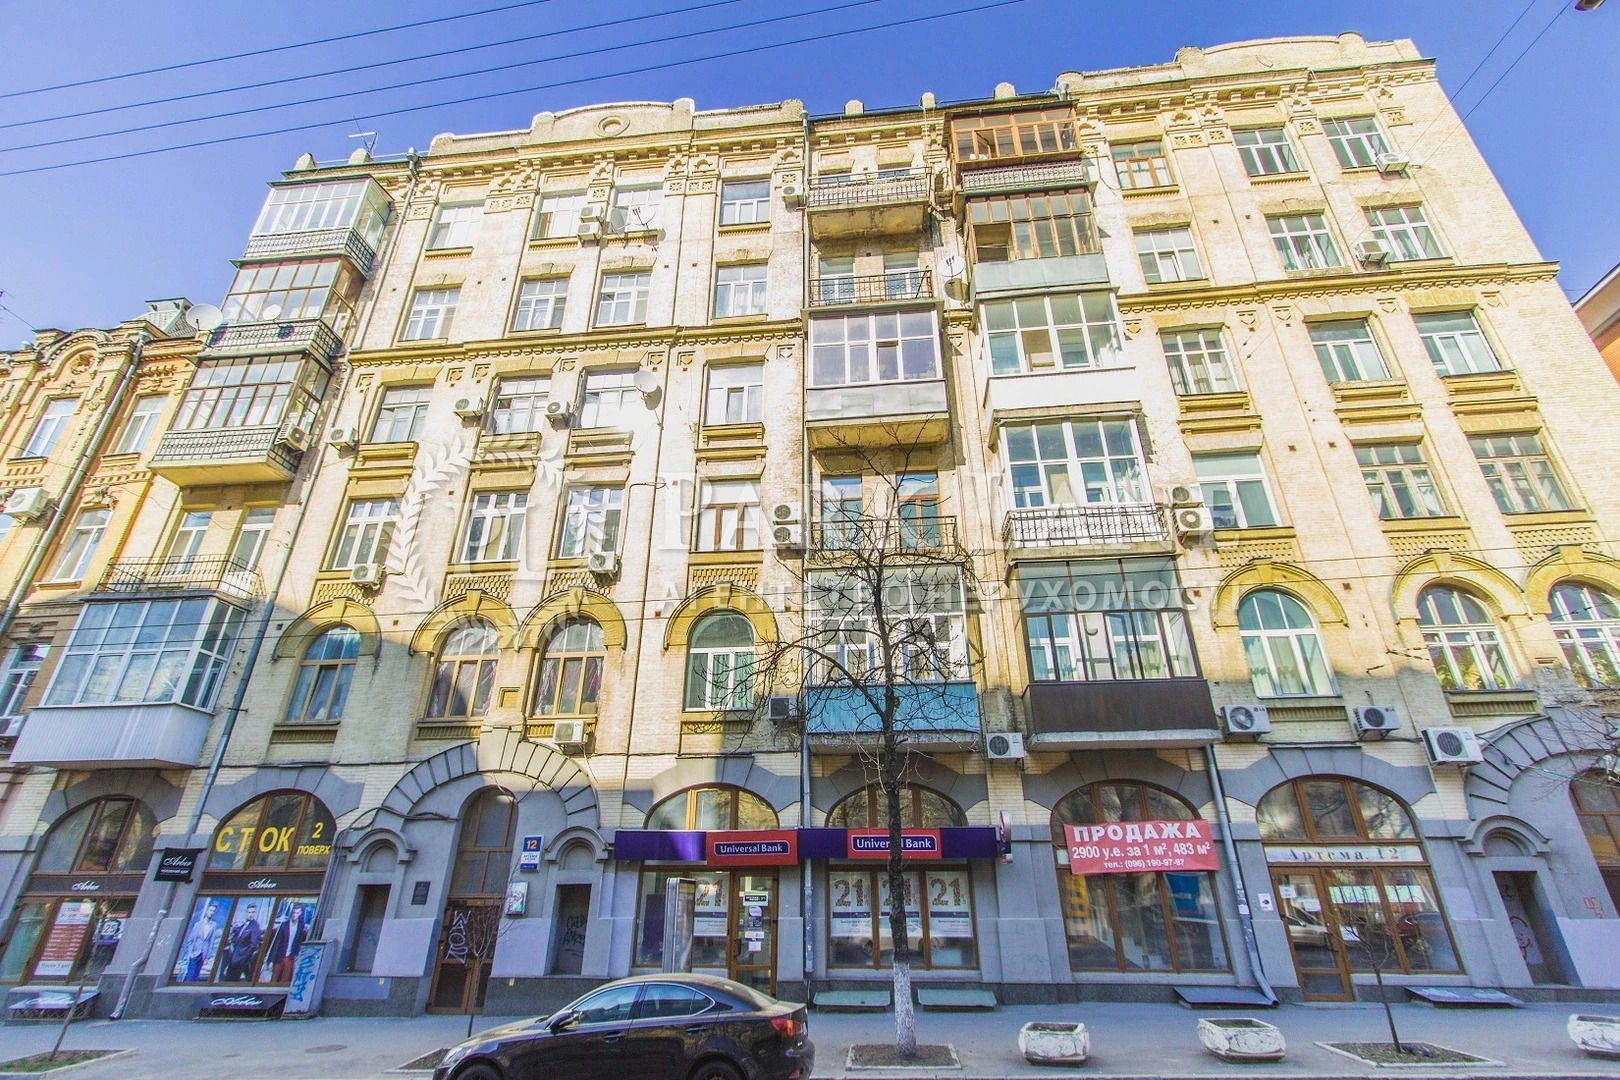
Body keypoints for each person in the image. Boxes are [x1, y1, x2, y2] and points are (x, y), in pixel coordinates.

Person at [176, 899, 224, 983]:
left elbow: (211, 941)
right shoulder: (198, 924)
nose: (212, 912)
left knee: (196, 973)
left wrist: (208, 956)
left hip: (203, 954)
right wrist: (190, 953)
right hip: (194, 952)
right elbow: (190, 940)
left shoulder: (213, 925)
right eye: (210, 910)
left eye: (213, 911)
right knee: (191, 974)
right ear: (207, 911)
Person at [264, 902, 308, 983]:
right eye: (294, 912)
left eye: (297, 913)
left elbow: (299, 941)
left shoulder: (301, 926)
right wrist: (271, 960)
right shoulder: (284, 925)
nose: (294, 915)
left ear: (300, 913)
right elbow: (276, 943)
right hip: (279, 956)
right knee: (274, 979)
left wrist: (296, 954)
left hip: (290, 957)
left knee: (285, 979)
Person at [220, 902, 265, 982]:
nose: (251, 914)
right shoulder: (244, 925)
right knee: (227, 980)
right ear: (246, 913)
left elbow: (253, 945)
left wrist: (243, 959)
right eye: (249, 912)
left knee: (233, 981)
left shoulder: (255, 926)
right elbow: (237, 938)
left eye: (253, 912)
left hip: (241, 961)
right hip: (234, 958)